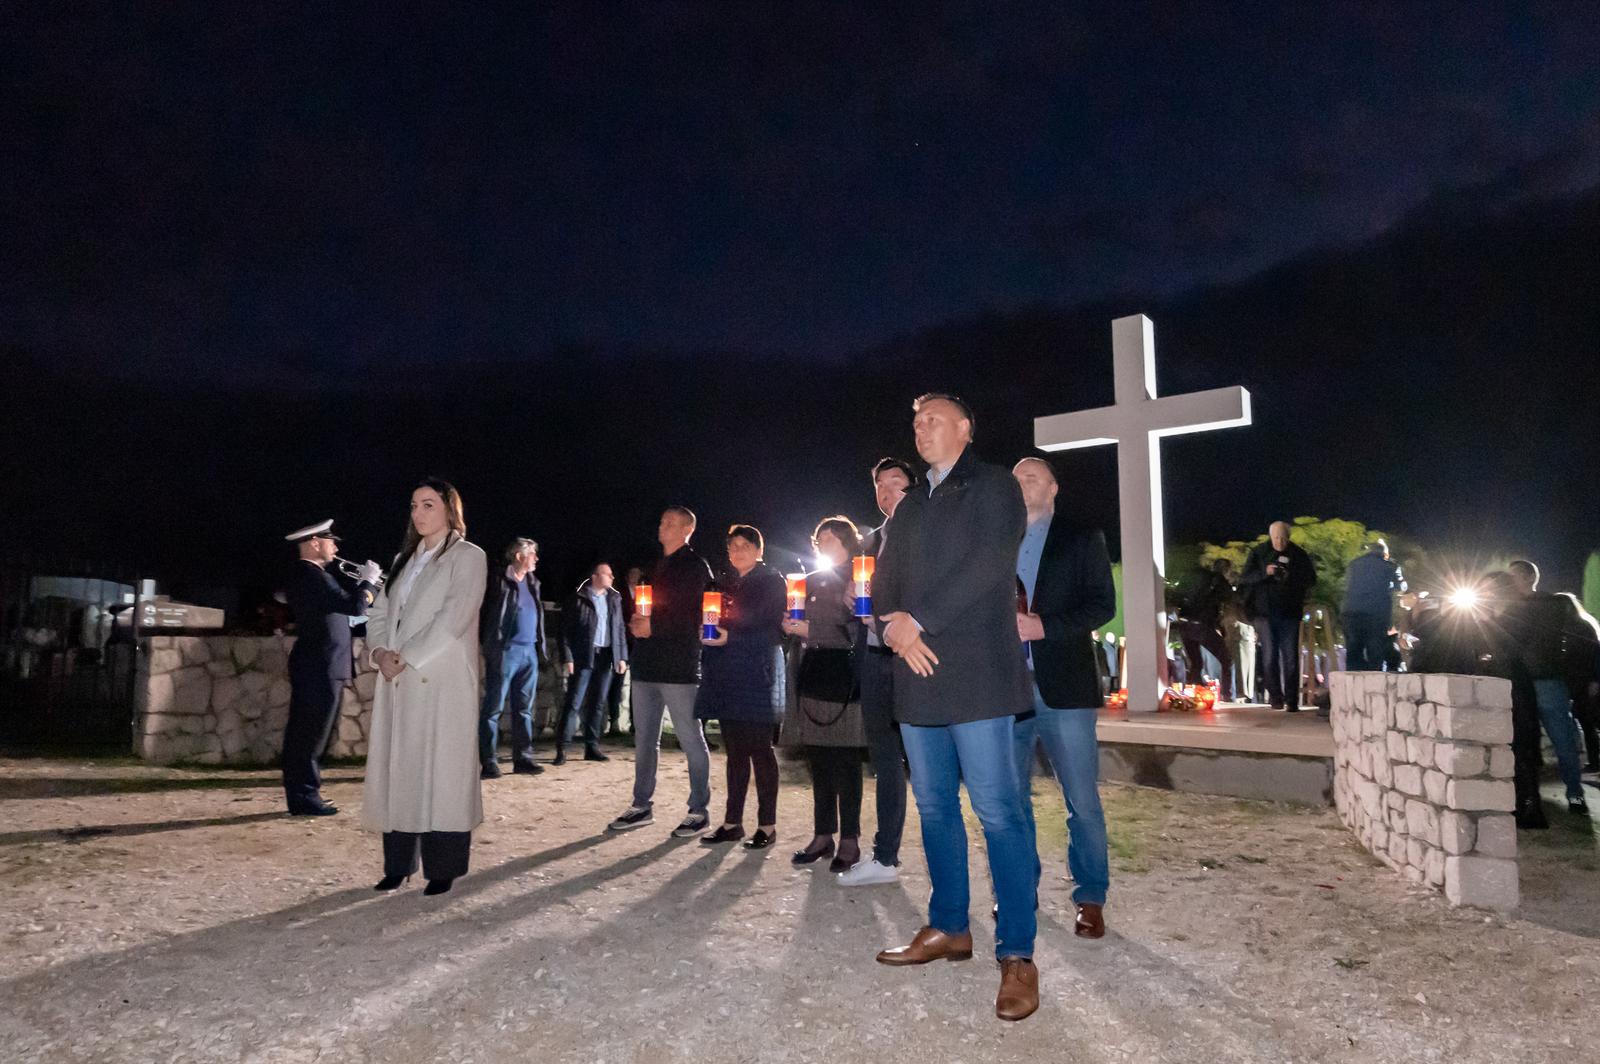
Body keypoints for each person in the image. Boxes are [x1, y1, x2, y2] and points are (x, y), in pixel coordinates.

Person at [873, 393, 1040, 1023]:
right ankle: (949, 925)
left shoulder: (995, 487)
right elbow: (883, 583)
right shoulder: (910, 505)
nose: (921, 428)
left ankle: (1018, 952)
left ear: (966, 428)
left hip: (976, 675)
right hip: (916, 677)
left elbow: (988, 565)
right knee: (935, 806)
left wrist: (920, 622)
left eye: (934, 419)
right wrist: (893, 626)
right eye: (915, 421)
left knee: (998, 811)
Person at [363, 478, 488, 896]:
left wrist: (407, 656)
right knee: (400, 770)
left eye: (428, 505)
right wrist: (380, 651)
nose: (418, 513)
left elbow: (454, 617)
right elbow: (379, 613)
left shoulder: (469, 557)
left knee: (442, 772)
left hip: (441, 679)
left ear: (450, 510)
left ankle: (443, 867)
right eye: (414, 505)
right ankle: (397, 864)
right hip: (398, 679)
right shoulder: (403, 559)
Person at [1010, 457, 1117, 939]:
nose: (1021, 482)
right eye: (1015, 478)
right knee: (1010, 800)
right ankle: (1018, 891)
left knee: (1082, 800)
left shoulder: (1081, 536)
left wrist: (1043, 626)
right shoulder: (996, 541)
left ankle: (1090, 898)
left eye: (1031, 476)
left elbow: (1102, 604)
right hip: (1005, 689)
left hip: (1065, 686)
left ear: (1053, 488)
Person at [608, 506, 715, 837]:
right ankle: (642, 805)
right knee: (644, 740)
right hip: (646, 664)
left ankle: (699, 809)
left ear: (687, 530)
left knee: (690, 739)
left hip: (679, 667)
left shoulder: (696, 568)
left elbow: (694, 617)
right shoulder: (654, 567)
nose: (662, 526)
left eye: (670, 522)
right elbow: (645, 607)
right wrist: (638, 624)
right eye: (661, 520)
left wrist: (652, 625)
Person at [838, 458, 917, 887]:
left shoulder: (925, 533)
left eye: (896, 483)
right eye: (879, 485)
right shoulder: (873, 542)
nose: (887, 492)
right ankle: (885, 857)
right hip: (873, 657)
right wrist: (856, 596)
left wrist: (885, 620)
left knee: (925, 763)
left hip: (910, 659)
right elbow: (868, 596)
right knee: (885, 761)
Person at [784, 516, 869, 873]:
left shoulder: (860, 575)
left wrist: (811, 629)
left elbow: (856, 629)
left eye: (831, 536)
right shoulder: (810, 579)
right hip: (813, 676)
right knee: (818, 762)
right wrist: (790, 623)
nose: (823, 542)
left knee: (846, 764)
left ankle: (850, 840)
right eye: (820, 537)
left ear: (847, 539)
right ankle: (823, 835)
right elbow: (797, 619)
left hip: (846, 680)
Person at [280, 520, 381, 816]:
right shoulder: (311, 575)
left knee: (308, 734)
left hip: (320, 664)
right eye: (330, 540)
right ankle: (305, 797)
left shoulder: (314, 576)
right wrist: (369, 582)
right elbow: (356, 607)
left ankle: (304, 794)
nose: (335, 547)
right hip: (319, 666)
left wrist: (364, 586)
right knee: (309, 735)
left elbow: (344, 611)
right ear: (314, 543)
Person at [696, 525, 786, 849]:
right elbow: (714, 617)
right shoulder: (723, 583)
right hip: (728, 673)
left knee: (760, 750)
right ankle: (732, 822)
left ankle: (767, 824)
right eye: (733, 545)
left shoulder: (772, 581)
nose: (738, 551)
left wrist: (729, 636)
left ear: (759, 550)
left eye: (745, 545)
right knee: (734, 750)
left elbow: (771, 628)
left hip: (758, 672)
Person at [1505, 560, 1588, 814]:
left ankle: (1531, 796)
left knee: (1526, 743)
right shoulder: (1556, 605)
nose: (1510, 582)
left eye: (1514, 577)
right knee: (1562, 740)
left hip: (1532, 681)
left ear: (1530, 577)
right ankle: (1574, 795)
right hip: (1547, 680)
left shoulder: (1519, 608)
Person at [478, 538, 548, 778]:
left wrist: (540, 648)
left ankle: (523, 759)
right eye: (533, 554)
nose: (536, 558)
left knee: (524, 709)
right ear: (519, 556)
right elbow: (483, 611)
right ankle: (488, 762)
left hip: (529, 651)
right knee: (493, 708)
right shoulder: (497, 581)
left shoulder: (533, 582)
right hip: (505, 650)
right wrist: (489, 644)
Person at [555, 563, 628, 764]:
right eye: (608, 574)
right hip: (583, 656)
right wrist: (568, 657)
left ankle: (591, 746)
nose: (612, 578)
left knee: (597, 703)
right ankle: (562, 748)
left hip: (605, 656)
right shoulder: (578, 599)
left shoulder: (614, 599)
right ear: (595, 576)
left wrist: (621, 656)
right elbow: (565, 631)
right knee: (574, 702)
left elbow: (619, 628)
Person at [1238, 521, 1316, 711]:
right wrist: (1265, 573)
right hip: (1264, 613)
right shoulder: (1258, 553)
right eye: (1276, 538)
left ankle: (1291, 700)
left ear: (1289, 537)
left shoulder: (1298, 554)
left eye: (1283, 538)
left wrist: (1291, 575)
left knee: (1291, 657)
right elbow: (1245, 579)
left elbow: (1311, 579)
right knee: (1269, 656)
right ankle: (1275, 697)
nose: (1280, 542)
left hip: (1289, 612)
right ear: (1270, 536)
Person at [1177, 558, 1235, 698]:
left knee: (1196, 663)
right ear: (1225, 570)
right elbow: (1230, 598)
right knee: (1227, 661)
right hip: (1202, 626)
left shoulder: (1198, 578)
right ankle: (1228, 696)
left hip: (1184, 624)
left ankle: (1192, 695)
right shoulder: (1218, 580)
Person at [1343, 540, 1401, 671]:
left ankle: (1353, 686)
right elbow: (1401, 586)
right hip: (1375, 614)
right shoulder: (1389, 566)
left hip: (1350, 612)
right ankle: (1374, 686)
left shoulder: (1354, 564)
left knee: (1353, 652)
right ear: (1384, 553)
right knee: (1375, 653)